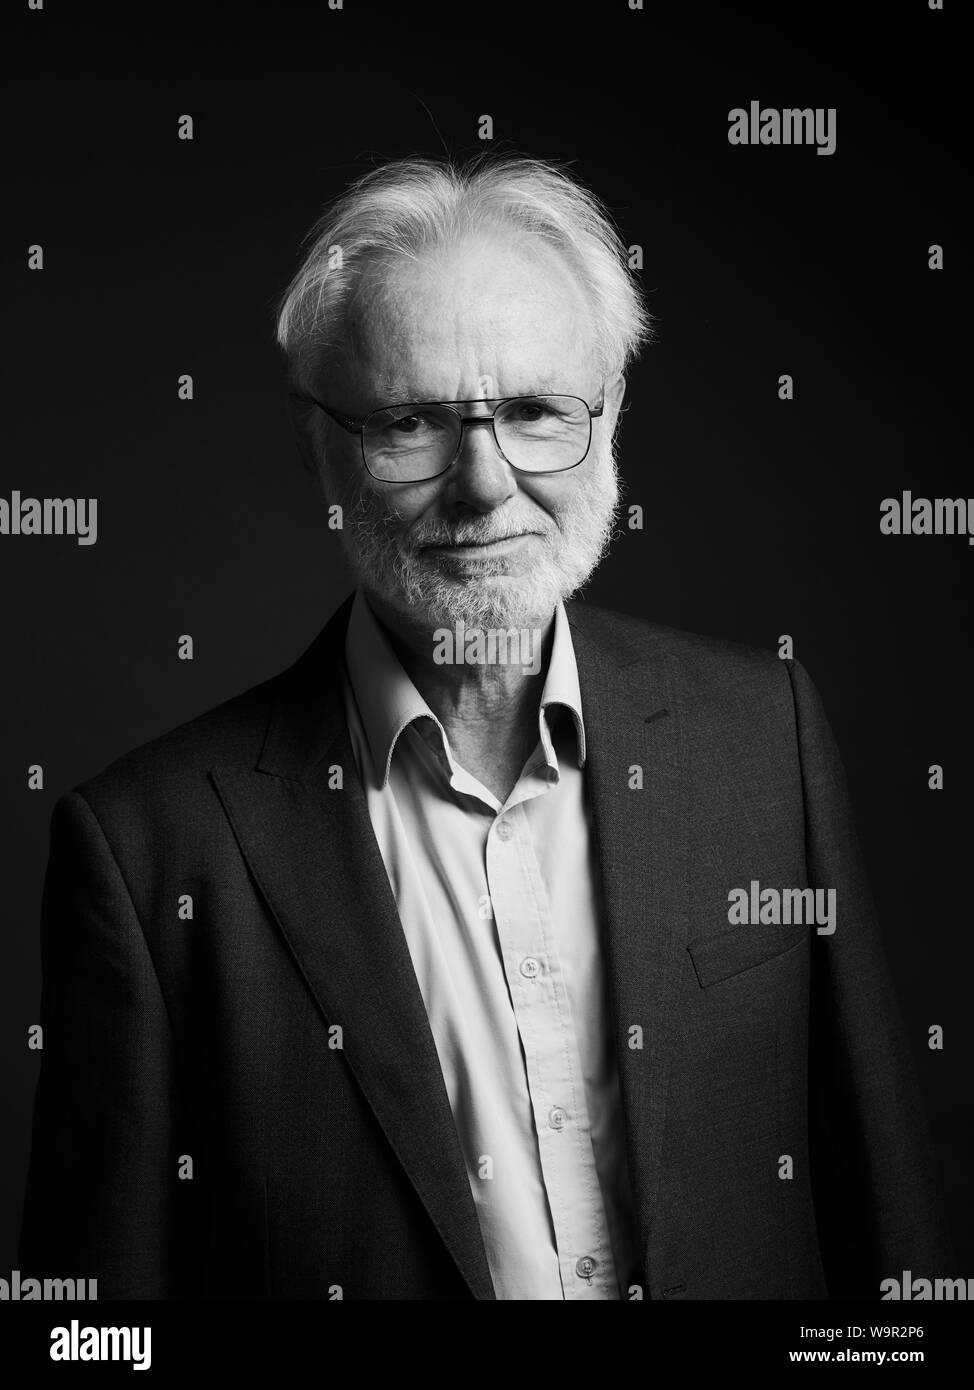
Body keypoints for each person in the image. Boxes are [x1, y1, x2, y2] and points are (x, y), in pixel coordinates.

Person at [20, 154, 949, 1299]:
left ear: (608, 421)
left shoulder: (765, 737)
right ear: (318, 446)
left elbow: (887, 1233)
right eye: (409, 421)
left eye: (534, 412)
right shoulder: (145, 850)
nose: (483, 481)